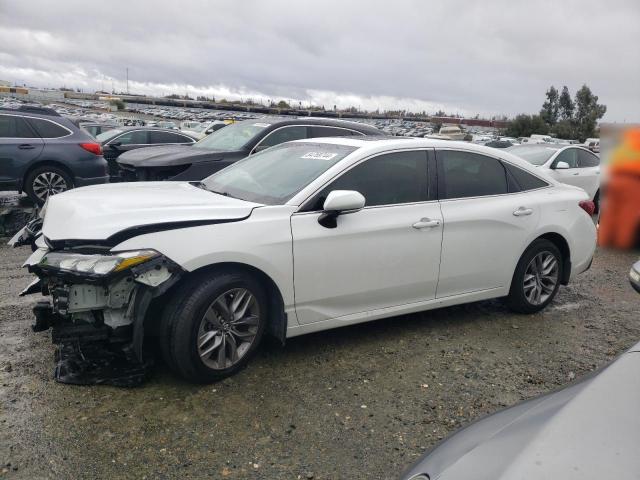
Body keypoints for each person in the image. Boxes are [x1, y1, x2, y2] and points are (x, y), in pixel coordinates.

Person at [598, 128, 640, 249]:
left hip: (616, 181)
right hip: (632, 183)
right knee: (626, 217)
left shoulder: (624, 147)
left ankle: (605, 238)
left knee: (611, 213)